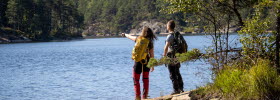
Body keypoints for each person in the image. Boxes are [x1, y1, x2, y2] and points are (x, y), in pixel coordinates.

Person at [122, 26, 157, 100]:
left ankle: (137, 97)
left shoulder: (138, 39)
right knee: (145, 79)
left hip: (137, 62)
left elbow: (130, 37)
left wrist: (125, 34)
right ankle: (145, 97)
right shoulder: (150, 43)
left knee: (136, 80)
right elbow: (152, 55)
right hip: (146, 62)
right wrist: (152, 65)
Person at [163, 20, 184, 95]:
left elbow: (166, 47)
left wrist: (164, 56)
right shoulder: (177, 35)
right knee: (177, 72)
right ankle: (181, 88)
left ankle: (176, 90)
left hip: (171, 57)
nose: (166, 26)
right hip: (177, 56)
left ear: (168, 26)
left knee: (172, 74)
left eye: (167, 25)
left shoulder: (170, 36)